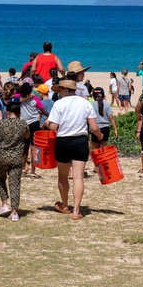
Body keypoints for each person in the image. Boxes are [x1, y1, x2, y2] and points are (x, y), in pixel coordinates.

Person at [45, 79, 103, 220]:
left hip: (63, 141)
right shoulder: (85, 103)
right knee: (78, 177)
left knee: (63, 176)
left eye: (60, 90)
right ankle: (76, 211)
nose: (59, 93)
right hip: (80, 141)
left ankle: (64, 205)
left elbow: (53, 127)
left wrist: (47, 123)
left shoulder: (59, 104)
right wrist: (100, 136)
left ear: (65, 89)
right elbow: (94, 127)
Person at [0, 101, 31, 220]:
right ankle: (14, 212)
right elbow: (27, 136)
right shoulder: (23, 123)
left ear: (7, 112)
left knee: (0, 179)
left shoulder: (1, 124)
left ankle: (4, 203)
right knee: (15, 183)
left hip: (2, 155)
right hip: (16, 157)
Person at [18, 82, 47, 177]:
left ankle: (23, 168)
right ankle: (33, 171)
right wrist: (50, 116)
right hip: (34, 123)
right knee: (34, 147)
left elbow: (16, 99)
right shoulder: (35, 98)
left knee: (25, 147)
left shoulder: (19, 98)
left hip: (24, 124)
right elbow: (42, 111)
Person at [90, 87, 118, 155]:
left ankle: (96, 165)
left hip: (95, 128)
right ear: (103, 96)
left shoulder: (91, 105)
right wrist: (115, 129)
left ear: (93, 96)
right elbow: (111, 117)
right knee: (103, 149)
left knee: (95, 149)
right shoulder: (107, 105)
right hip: (105, 128)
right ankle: (102, 164)